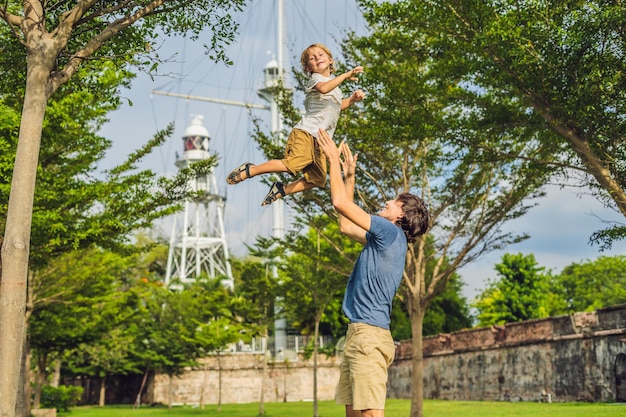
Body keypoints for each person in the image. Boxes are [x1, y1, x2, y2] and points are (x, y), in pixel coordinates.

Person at [316, 128, 429, 417]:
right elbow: (345, 224)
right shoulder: (386, 239)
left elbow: (340, 203)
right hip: (358, 333)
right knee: (354, 414)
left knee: (369, 415)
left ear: (401, 214)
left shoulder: (388, 231)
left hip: (369, 335)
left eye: (393, 201)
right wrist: (349, 175)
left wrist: (331, 160)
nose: (387, 202)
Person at [226, 43, 365, 206]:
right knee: (292, 164)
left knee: (318, 180)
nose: (317, 58)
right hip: (306, 133)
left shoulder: (336, 89)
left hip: (320, 140)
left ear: (330, 60)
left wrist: (352, 100)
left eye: (320, 55)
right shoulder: (316, 79)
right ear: (308, 68)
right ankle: (250, 170)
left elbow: (336, 107)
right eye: (312, 58)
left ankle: (282, 190)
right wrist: (346, 75)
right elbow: (324, 89)